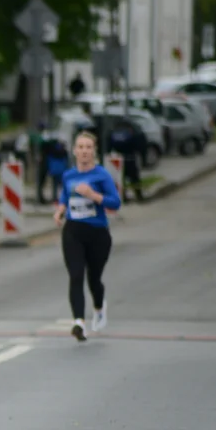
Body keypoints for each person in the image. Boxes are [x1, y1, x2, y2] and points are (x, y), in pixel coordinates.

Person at [53, 131, 121, 342]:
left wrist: (93, 195)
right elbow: (65, 194)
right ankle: (79, 323)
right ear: (74, 151)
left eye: (88, 147)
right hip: (73, 231)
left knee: (94, 279)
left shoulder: (101, 175)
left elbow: (115, 202)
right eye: (80, 147)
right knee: (76, 275)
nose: (84, 151)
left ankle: (99, 307)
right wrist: (60, 210)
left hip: (98, 233)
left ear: (94, 152)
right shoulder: (69, 175)